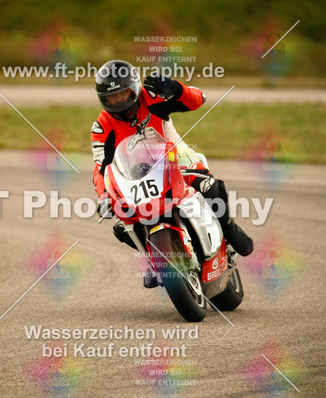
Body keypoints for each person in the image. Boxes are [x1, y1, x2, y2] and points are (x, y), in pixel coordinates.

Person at [91, 60, 253, 287]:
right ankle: (153, 258)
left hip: (174, 155)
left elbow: (199, 99)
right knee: (121, 224)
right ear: (104, 99)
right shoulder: (102, 126)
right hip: (137, 172)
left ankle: (229, 230)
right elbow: (101, 168)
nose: (119, 101)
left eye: (123, 93)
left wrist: (177, 89)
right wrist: (104, 196)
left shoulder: (152, 97)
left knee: (209, 186)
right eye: (112, 97)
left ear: (134, 88)